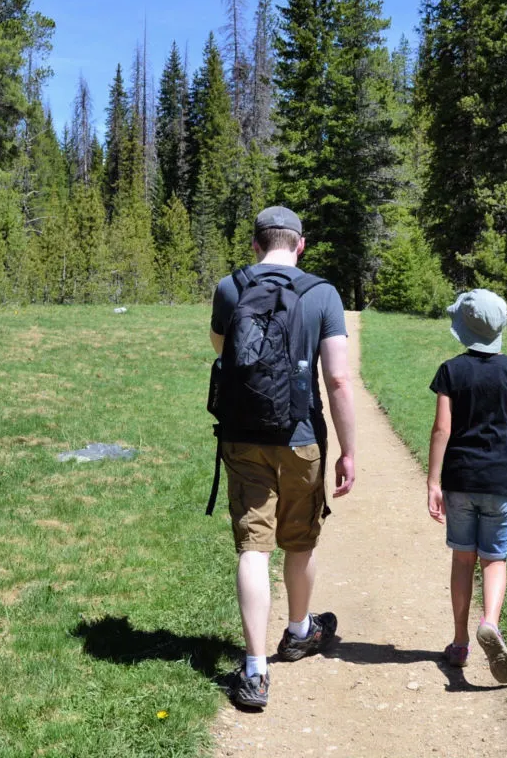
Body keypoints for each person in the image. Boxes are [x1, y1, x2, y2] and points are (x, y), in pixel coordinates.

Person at [209, 206, 356, 709]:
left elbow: (220, 350)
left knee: (254, 546)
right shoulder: (322, 294)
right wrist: (349, 449)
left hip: (243, 436)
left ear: (255, 244)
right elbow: (337, 379)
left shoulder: (231, 288)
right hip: (300, 437)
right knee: (300, 539)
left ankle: (253, 671)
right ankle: (298, 632)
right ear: (301, 244)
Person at [426, 289, 507, 683]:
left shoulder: (450, 371)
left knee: (463, 559)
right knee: (494, 560)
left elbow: (442, 428)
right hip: (499, 481)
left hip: (459, 480)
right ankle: (490, 622)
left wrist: (432, 481)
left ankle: (460, 643)